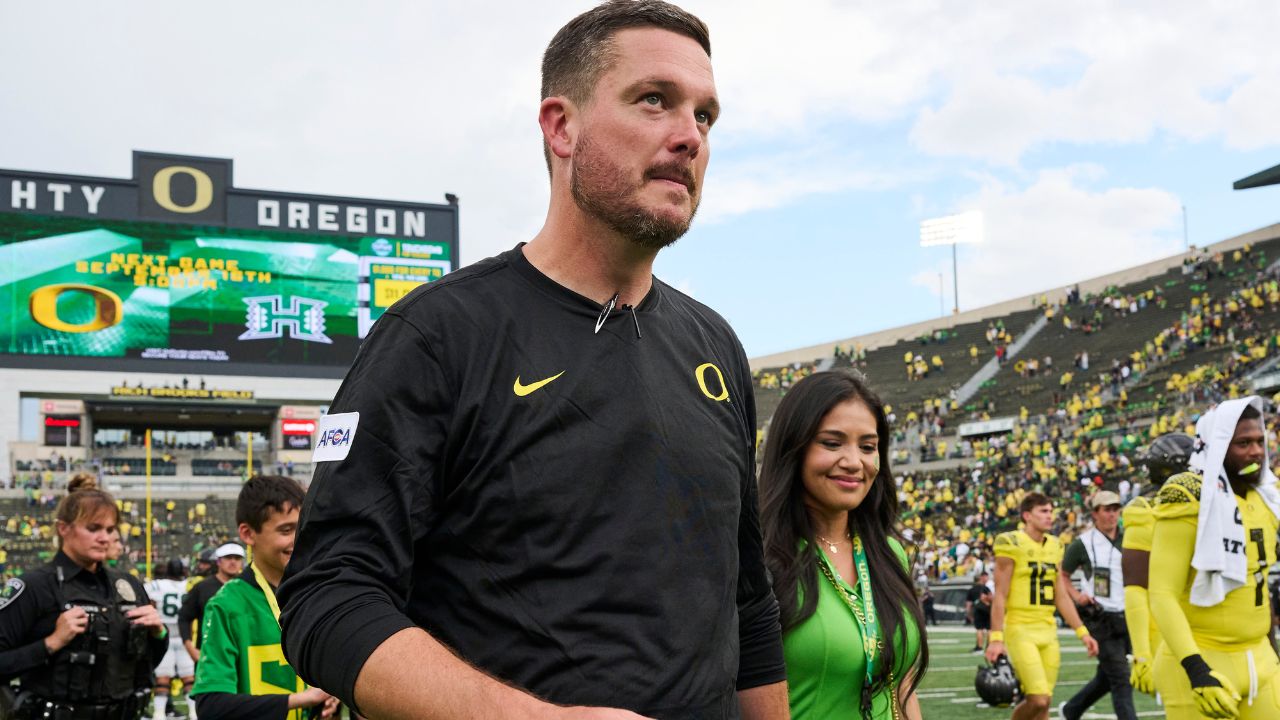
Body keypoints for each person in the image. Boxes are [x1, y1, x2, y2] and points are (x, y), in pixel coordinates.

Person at [277, 2, 788, 719]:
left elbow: (748, 603)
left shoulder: (716, 347)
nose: (688, 138)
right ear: (562, 127)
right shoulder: (435, 335)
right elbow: (328, 596)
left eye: (705, 116)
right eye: (654, 101)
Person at [758, 371, 926, 719]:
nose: (854, 462)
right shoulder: (758, 559)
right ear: (795, 448)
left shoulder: (890, 554)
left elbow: (901, 684)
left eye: (868, 447)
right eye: (832, 443)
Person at [1150, 398, 1280, 719]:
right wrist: (1196, 669)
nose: (1255, 453)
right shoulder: (1189, 495)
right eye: (1243, 443)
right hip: (1204, 658)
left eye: (1259, 442)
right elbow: (1162, 593)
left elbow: (1258, 587)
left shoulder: (1266, 496)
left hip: (1261, 659)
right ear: (1218, 446)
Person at [0, 476, 167, 719]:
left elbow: (144, 663)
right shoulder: (34, 586)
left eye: (110, 530)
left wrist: (158, 634)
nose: (104, 538)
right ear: (63, 528)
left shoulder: (127, 586)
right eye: (93, 528)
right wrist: (50, 643)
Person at [192, 475, 337, 720]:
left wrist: (329, 699)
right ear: (248, 534)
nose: (298, 539)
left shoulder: (316, 593)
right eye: (286, 530)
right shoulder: (227, 605)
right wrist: (300, 700)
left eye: (302, 527)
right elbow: (211, 705)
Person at [985, 493, 1099, 720]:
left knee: (1043, 706)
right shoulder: (1011, 542)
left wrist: (1082, 632)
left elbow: (1062, 596)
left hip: (1048, 629)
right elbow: (1000, 595)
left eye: (1051, 511)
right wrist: (996, 638)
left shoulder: (1056, 545)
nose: (1050, 516)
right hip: (1020, 627)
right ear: (1027, 515)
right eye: (1043, 511)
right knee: (1038, 699)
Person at [1122, 432, 1195, 697]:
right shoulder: (1145, 511)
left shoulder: (1222, 502)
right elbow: (1136, 588)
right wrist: (1142, 653)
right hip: (1172, 630)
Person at [1058, 491, 1135, 720]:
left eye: (1115, 509)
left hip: (1126, 613)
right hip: (1099, 617)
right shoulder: (1082, 544)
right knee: (1121, 678)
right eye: (1106, 510)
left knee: (1107, 676)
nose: (1112, 514)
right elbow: (1063, 575)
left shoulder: (1129, 537)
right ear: (1095, 514)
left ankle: (1071, 710)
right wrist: (1076, 595)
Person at [145, 559, 195, 720]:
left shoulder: (156, 586)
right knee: (189, 679)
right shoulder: (188, 585)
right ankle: (194, 713)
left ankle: (159, 714)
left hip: (164, 635)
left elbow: (150, 606)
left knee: (162, 678)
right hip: (183, 636)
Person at [179, 543, 243, 663]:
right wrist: (190, 648)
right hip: (209, 654)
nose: (233, 562)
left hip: (241, 653)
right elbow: (184, 617)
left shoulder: (247, 587)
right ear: (218, 561)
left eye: (237, 558)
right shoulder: (202, 587)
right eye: (228, 558)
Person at [966, 572, 992, 652]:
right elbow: (991, 597)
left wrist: (969, 614)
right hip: (987, 609)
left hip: (978, 609)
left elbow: (968, 604)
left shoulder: (972, 589)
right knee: (989, 629)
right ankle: (989, 646)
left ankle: (979, 647)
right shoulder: (986, 588)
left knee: (979, 629)